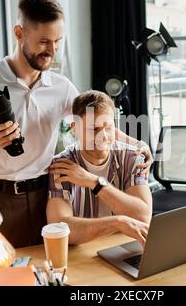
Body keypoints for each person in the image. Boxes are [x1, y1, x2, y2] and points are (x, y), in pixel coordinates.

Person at [0, 0, 152, 252]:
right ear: (19, 32)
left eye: (57, 41)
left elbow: (97, 123)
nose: (52, 51)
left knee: (50, 272)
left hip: (45, 195)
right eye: (44, 41)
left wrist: (138, 145)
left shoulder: (61, 86)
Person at [47, 91, 152, 247]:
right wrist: (117, 222)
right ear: (74, 128)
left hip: (125, 244)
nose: (103, 136)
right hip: (83, 251)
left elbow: (143, 217)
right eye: (93, 129)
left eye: (108, 128)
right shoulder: (63, 165)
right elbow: (60, 228)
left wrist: (94, 182)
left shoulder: (132, 158)